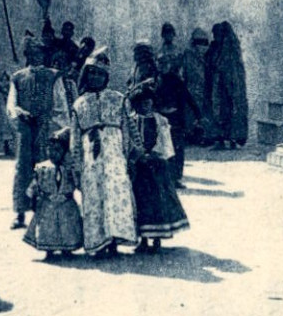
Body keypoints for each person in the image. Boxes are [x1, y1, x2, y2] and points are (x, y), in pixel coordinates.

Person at [71, 48, 138, 257]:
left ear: (106, 77)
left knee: (115, 194)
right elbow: (75, 136)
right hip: (91, 152)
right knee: (94, 195)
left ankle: (114, 239)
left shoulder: (117, 99)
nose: (96, 77)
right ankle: (98, 241)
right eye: (92, 73)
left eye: (100, 74)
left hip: (114, 152)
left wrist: (127, 154)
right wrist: (76, 163)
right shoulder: (79, 103)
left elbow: (126, 128)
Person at [7, 35, 70, 229]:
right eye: (32, 54)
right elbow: (12, 102)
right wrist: (18, 112)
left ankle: (44, 212)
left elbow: (60, 104)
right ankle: (20, 214)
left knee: (47, 168)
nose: (36, 57)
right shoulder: (18, 77)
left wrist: (59, 127)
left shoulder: (53, 76)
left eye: (39, 53)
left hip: (47, 128)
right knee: (23, 169)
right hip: (26, 130)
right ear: (27, 55)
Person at [128, 81, 189, 253]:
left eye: (147, 102)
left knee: (158, 202)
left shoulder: (160, 121)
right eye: (140, 103)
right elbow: (129, 142)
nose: (144, 106)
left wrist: (154, 154)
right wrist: (137, 156)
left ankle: (157, 240)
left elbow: (165, 143)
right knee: (140, 202)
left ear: (153, 102)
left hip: (156, 167)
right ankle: (143, 239)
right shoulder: (131, 121)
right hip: (139, 168)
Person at [23, 128, 83, 259]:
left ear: (64, 151)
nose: (53, 153)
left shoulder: (69, 167)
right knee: (47, 227)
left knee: (68, 226)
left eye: (57, 150)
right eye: (50, 149)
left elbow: (78, 183)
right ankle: (48, 250)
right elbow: (35, 184)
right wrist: (32, 200)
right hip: (47, 204)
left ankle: (67, 250)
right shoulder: (41, 167)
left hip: (66, 203)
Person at [154, 67, 201, 188]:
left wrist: (197, 114)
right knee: (165, 149)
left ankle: (175, 178)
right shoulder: (154, 79)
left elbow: (187, 97)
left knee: (176, 149)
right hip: (162, 119)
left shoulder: (176, 81)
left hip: (175, 120)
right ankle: (169, 178)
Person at [205, 22, 249, 149]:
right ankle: (220, 140)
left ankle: (233, 140)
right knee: (219, 113)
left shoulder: (231, 48)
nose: (215, 37)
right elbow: (210, 62)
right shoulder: (215, 47)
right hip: (219, 87)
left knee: (231, 113)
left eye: (217, 34)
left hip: (230, 88)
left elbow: (233, 69)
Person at [182, 28, 212, 143]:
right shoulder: (188, 54)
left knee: (203, 112)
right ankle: (191, 134)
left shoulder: (208, 55)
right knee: (191, 112)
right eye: (198, 42)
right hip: (192, 87)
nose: (201, 45)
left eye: (203, 42)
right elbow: (184, 70)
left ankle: (203, 135)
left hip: (203, 88)